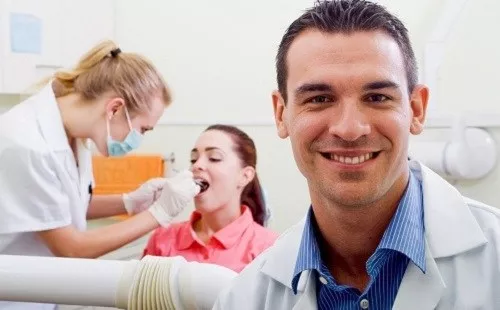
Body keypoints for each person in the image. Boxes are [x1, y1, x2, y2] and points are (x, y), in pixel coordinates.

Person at [214, 1, 500, 309]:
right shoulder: (245, 298)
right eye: (320, 98)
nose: (350, 129)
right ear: (281, 114)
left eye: (377, 97)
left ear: (416, 110)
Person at [0, 40, 200, 309]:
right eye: (143, 129)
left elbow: (60, 209)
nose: (138, 139)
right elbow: (71, 248)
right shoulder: (28, 143)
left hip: (36, 293)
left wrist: (128, 202)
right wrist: (158, 214)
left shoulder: (75, 135)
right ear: (115, 109)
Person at [143, 124, 279, 272]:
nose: (197, 165)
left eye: (214, 158)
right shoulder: (161, 239)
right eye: (193, 159)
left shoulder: (269, 248)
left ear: (245, 176)